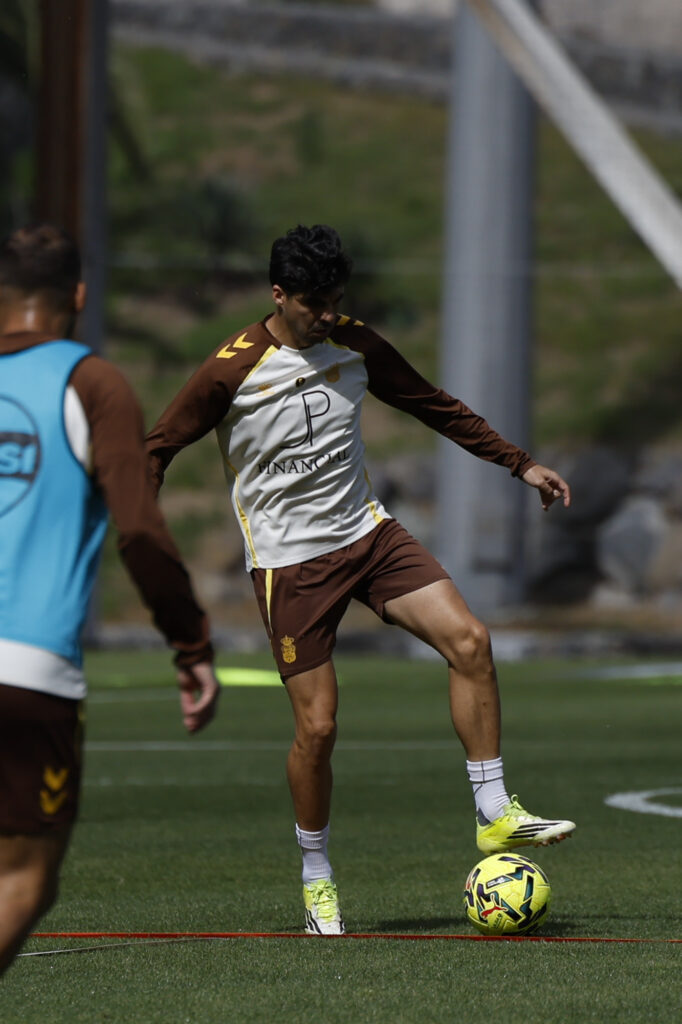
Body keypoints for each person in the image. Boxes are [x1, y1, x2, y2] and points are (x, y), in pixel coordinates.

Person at [146, 223, 575, 936]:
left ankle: (495, 812)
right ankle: (317, 880)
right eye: (313, 302)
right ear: (279, 295)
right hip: (290, 564)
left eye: (335, 300)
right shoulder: (231, 369)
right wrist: (139, 526)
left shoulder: (356, 342)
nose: (327, 314)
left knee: (470, 640)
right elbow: (157, 448)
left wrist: (518, 462)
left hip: (368, 536)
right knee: (318, 728)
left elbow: (430, 403)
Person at [0, 223, 221, 974]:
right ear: (80, 297)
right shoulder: (93, 383)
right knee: (23, 880)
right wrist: (190, 645)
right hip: (28, 672)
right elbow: (140, 532)